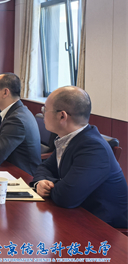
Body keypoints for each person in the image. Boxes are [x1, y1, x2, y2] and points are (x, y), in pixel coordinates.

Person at [32, 87, 127, 228]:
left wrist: (51, 184)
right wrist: (40, 182)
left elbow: (66, 197)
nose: (42, 113)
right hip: (78, 214)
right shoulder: (68, 138)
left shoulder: (93, 148)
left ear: (62, 116)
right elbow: (44, 167)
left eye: (45, 109)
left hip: (103, 227)